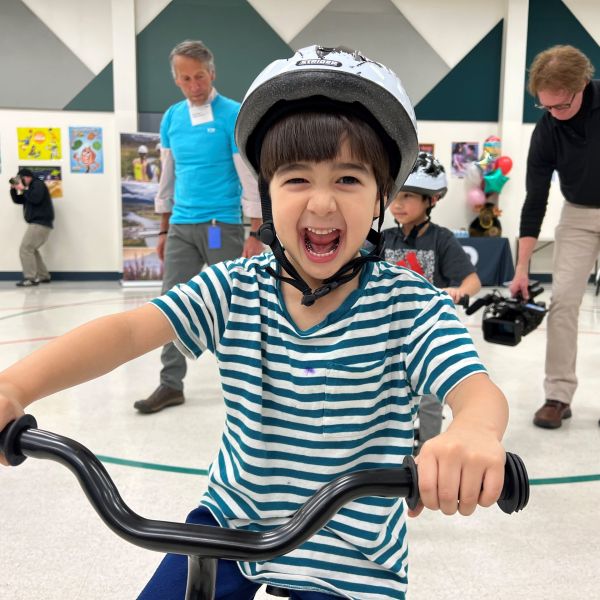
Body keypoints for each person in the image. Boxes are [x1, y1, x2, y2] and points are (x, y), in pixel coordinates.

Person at [0, 46, 508, 600]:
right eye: (295, 179)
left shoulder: (410, 305)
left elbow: (475, 390)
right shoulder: (236, 286)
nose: (319, 202)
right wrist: (15, 385)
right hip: (233, 520)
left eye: (347, 180)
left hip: (353, 555)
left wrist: (474, 431)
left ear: (382, 198)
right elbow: (126, 333)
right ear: (266, 193)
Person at [134, 39, 263, 414]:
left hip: (218, 225)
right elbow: (167, 178)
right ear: (176, 80)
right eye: (186, 78)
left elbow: (249, 176)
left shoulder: (232, 114)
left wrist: (255, 231)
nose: (195, 84)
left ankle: (249, 388)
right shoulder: (172, 118)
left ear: (213, 73)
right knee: (171, 305)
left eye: (200, 76)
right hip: (181, 226)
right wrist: (162, 228)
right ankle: (170, 384)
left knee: (232, 306)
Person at [510, 45, 600, 429]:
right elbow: (536, 198)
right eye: (545, 107)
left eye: (561, 106)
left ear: (582, 85)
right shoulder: (548, 128)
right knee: (563, 302)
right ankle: (557, 395)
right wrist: (521, 269)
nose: (554, 114)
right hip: (577, 213)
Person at [377, 151, 482, 449]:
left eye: (408, 196)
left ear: (431, 200)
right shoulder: (384, 239)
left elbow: (472, 280)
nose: (397, 203)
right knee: (388, 395)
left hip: (430, 333)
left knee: (431, 400)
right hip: (390, 331)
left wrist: (459, 291)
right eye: (395, 195)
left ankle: (430, 449)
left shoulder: (441, 239)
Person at [9, 168, 54, 287]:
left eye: (21, 179)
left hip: (40, 223)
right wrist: (13, 190)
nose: (20, 182)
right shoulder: (29, 188)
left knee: (25, 249)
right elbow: (18, 200)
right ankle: (44, 276)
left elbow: (36, 198)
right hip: (40, 224)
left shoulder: (38, 184)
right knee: (31, 249)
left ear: (27, 177)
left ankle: (30, 278)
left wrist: (23, 189)